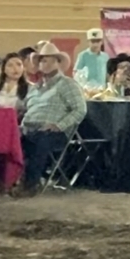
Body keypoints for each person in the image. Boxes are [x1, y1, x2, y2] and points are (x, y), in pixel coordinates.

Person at [20, 42, 88, 194]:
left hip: (55, 133)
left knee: (40, 140)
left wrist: (59, 125)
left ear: (58, 63)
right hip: (29, 128)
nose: (46, 64)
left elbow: (80, 109)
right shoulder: (34, 88)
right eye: (43, 60)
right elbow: (24, 109)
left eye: (51, 60)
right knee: (9, 139)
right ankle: (6, 182)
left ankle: (30, 184)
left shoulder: (67, 84)